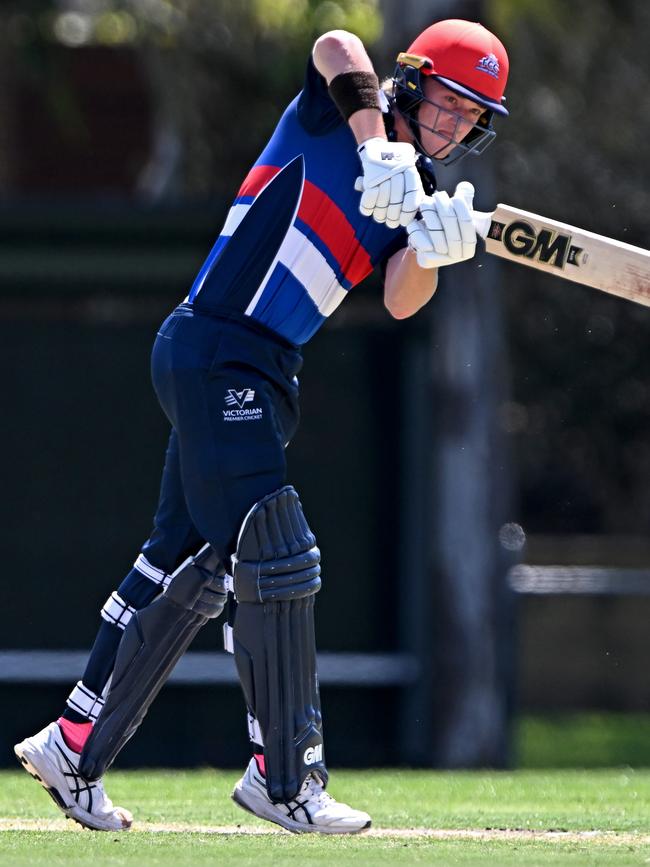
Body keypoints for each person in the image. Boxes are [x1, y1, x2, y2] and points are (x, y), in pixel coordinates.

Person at [15, 18, 509, 834]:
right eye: (449, 102)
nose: (455, 125)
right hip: (218, 346)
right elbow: (336, 43)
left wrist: (433, 247)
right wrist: (374, 144)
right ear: (413, 80)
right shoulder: (338, 115)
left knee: (185, 561)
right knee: (274, 546)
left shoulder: (413, 185)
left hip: (266, 366)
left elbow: (397, 298)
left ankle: (73, 744)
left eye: (473, 116)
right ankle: (286, 778)